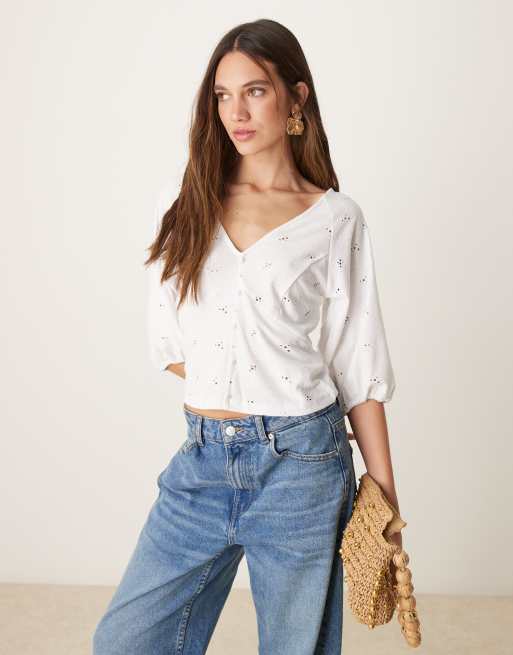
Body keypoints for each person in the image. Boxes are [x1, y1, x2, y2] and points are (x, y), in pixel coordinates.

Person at [93, 17, 400, 655]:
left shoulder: (335, 218)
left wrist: (384, 493)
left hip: (302, 467)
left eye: (255, 91)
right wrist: (249, 385)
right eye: (223, 95)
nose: (237, 111)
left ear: (296, 97)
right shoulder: (184, 202)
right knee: (125, 641)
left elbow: (358, 360)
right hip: (202, 461)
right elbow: (171, 344)